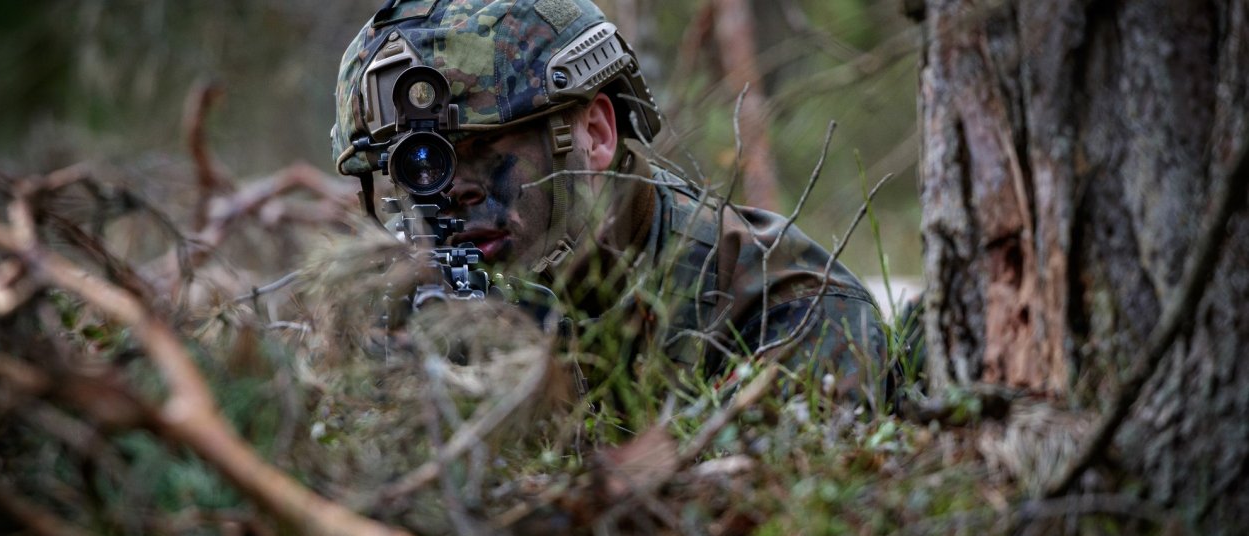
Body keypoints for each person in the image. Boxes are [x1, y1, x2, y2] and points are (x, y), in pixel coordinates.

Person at [330, 0, 893, 405]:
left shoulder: (784, 310)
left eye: (480, 147)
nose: (451, 189)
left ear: (595, 134)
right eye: (413, 166)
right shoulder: (398, 313)